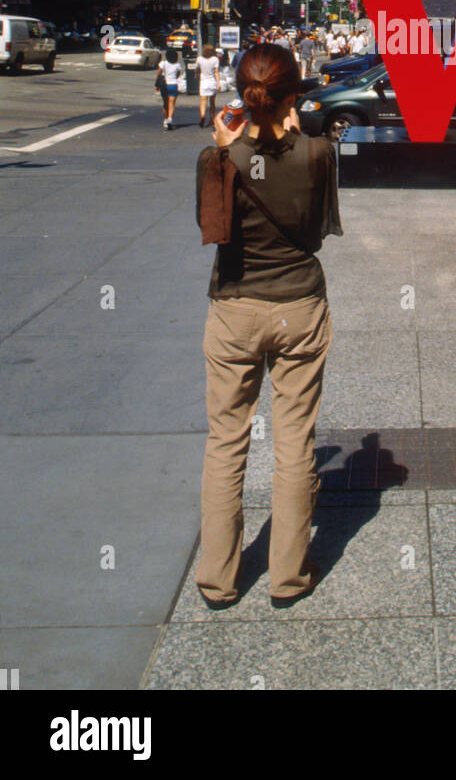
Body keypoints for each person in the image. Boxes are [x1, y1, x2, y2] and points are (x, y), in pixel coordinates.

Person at [194, 44, 343, 607]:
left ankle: (218, 578)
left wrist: (225, 151)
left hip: (234, 307)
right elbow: (319, 228)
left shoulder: (218, 160)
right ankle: (287, 577)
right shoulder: (317, 153)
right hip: (299, 306)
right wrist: (293, 134)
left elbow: (211, 226)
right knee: (294, 439)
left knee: (225, 441)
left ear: (242, 95)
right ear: (290, 97)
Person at [156, 47, 184, 130]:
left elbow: (158, 74)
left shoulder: (163, 63)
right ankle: (170, 118)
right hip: (173, 85)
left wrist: (157, 85)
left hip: (164, 85)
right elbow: (178, 74)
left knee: (165, 103)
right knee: (172, 103)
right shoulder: (177, 65)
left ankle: (165, 119)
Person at [195, 43, 221, 128]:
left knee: (203, 102)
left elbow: (197, 69)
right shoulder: (215, 59)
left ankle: (202, 116)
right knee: (212, 103)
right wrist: (218, 83)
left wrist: (196, 74)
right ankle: (211, 120)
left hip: (203, 83)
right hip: (212, 82)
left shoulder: (199, 59)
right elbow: (216, 72)